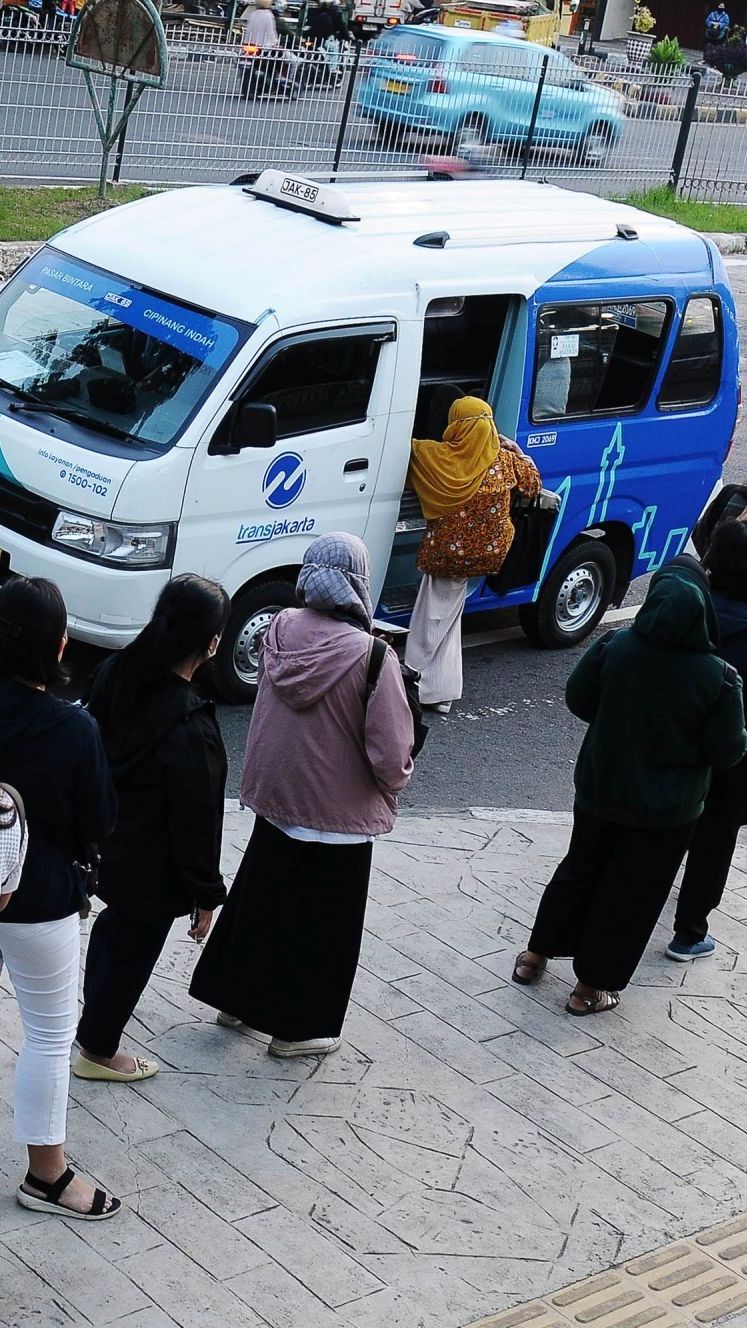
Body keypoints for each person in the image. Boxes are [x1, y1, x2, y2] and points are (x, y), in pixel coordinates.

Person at [190, 533, 414, 1058]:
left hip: (276, 800)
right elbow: (390, 753)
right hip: (337, 816)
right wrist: (396, 781)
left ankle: (236, 1001)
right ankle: (298, 1030)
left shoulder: (280, 628)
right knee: (323, 929)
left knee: (261, 904)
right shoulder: (371, 655)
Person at [513, 555, 747, 1015]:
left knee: (578, 869)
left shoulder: (616, 646)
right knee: (632, 895)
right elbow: (728, 751)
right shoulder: (716, 676)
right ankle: (589, 989)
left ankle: (535, 955)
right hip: (666, 811)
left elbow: (578, 698)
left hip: (601, 790)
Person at [74, 575, 229, 1083]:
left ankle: (92, 1016)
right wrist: (205, 893)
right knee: (132, 948)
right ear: (210, 644)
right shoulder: (191, 727)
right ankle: (97, 1049)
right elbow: (197, 820)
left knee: (115, 928)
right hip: (152, 866)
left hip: (104, 841)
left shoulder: (115, 672)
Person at [0, 576, 120, 1219]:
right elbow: (98, 820)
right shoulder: (71, 730)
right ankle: (46, 1177)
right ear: (61, 645)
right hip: (36, 895)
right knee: (47, 1036)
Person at [404, 395, 541, 715]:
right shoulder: (504, 462)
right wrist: (514, 448)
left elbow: (403, 447)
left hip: (445, 556)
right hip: (486, 554)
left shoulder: (435, 456)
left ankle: (422, 685)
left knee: (433, 618)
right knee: (449, 617)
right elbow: (533, 484)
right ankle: (442, 690)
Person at [668, 521, 747, 960]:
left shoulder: (684, 609)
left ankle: (644, 897)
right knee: (716, 838)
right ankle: (690, 932)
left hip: (676, 746)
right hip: (732, 758)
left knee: (669, 828)